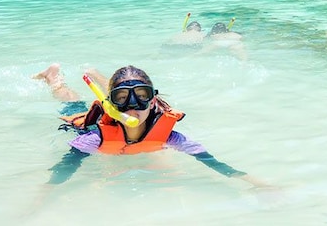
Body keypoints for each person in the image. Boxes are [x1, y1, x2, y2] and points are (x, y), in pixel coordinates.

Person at [33, 64, 269, 188]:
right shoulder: (94, 138)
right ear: (111, 104)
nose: (133, 106)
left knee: (125, 87)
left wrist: (259, 184)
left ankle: (96, 74)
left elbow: (213, 163)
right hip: (84, 120)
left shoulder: (170, 136)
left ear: (153, 100)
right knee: (72, 102)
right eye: (122, 99)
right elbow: (58, 176)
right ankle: (53, 77)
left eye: (142, 96)